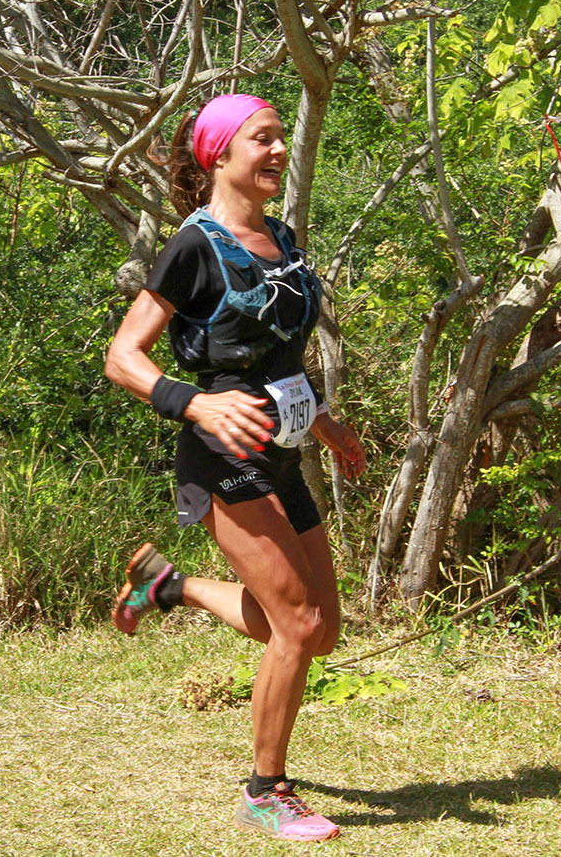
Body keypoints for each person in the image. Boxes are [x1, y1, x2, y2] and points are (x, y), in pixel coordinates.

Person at [104, 94, 366, 843]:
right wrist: (196, 404)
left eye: (281, 137)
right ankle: (266, 790)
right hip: (221, 454)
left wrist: (324, 422)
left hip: (282, 449)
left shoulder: (281, 238)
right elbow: (123, 357)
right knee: (298, 623)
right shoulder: (194, 246)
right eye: (263, 138)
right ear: (219, 154)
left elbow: (279, 355)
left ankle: (172, 585)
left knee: (320, 631)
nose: (278, 150)